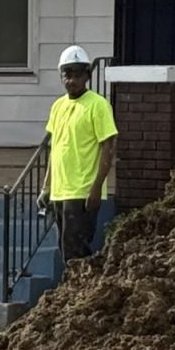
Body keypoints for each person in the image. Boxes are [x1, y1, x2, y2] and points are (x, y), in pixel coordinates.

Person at [43, 45, 118, 269]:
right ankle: (74, 294)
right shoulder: (58, 106)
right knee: (65, 248)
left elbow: (108, 147)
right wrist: (46, 187)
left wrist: (96, 188)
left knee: (76, 251)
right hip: (60, 190)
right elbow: (54, 148)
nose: (72, 80)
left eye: (77, 74)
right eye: (67, 74)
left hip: (83, 191)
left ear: (87, 75)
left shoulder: (98, 105)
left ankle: (79, 295)